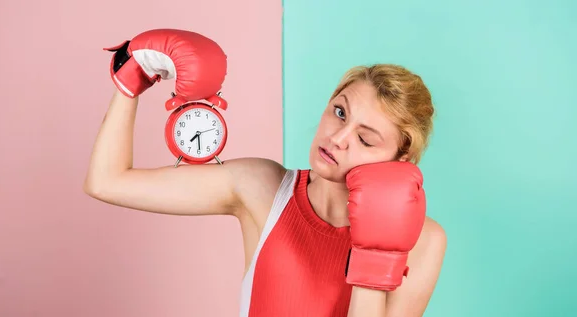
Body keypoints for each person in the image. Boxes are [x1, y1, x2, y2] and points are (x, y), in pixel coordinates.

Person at [84, 29, 447, 317]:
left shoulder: (424, 241)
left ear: (401, 160)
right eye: (339, 112)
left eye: (365, 139)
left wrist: (375, 258)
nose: (338, 139)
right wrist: (130, 78)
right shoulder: (263, 188)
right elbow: (107, 181)